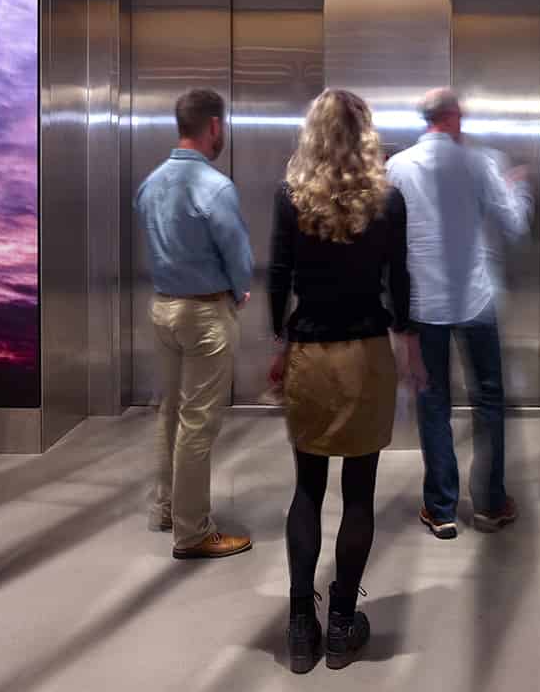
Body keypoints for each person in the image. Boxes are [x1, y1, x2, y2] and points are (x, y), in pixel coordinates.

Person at [269, 89, 425, 674]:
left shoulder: (291, 197)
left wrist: (280, 345)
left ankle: (299, 627)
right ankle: (341, 626)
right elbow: (400, 280)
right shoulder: (387, 200)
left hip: (310, 350)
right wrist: (410, 344)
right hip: (365, 355)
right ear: (365, 133)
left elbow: (280, 275)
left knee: (307, 488)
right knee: (359, 491)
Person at [386, 87, 532, 539]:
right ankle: (489, 504)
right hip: (476, 302)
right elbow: (515, 225)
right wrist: (517, 189)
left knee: (434, 402)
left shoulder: (397, 167)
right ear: (452, 117)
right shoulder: (481, 163)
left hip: (423, 303)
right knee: (489, 401)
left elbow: (386, 241)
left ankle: (441, 508)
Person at [134, 87, 255, 560]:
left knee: (170, 415)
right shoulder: (215, 187)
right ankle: (192, 531)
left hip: (163, 308)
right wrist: (239, 287)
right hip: (205, 314)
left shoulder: (151, 182)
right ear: (214, 126)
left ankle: (168, 506)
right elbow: (239, 257)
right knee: (198, 424)